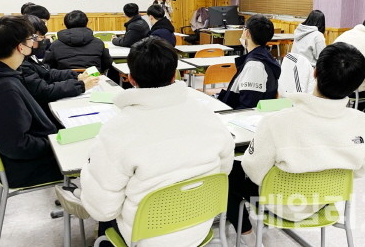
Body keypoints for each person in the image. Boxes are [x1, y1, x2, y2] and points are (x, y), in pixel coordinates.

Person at [59, 37, 235, 246]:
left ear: (131, 79)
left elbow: (103, 210)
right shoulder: (207, 114)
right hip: (200, 226)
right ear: (174, 75)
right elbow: (225, 168)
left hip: (146, 237)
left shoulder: (117, 129)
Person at [227, 43, 365, 247]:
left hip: (277, 203)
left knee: (230, 172)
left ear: (314, 73)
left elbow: (253, 169)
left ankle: (247, 234)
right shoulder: (364, 124)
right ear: (358, 83)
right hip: (325, 200)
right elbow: (360, 171)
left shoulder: (278, 121)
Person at [0, 16, 62, 187]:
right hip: (24, 167)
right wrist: (55, 142)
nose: (34, 43)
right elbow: (17, 145)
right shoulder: (5, 89)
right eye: (31, 39)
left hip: (17, 156)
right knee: (91, 152)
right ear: (21, 47)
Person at [20, 15, 99, 121]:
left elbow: (47, 73)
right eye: (36, 37)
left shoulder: (29, 56)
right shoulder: (21, 63)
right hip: (39, 114)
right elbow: (44, 91)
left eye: (42, 37)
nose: (41, 41)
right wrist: (81, 85)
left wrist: (76, 76)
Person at [218, 14, 281, 109]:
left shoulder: (255, 66)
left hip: (239, 116)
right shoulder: (263, 56)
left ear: (247, 33)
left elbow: (247, 106)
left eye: (244, 28)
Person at [43, 10, 113, 72]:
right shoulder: (98, 43)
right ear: (86, 23)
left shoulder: (56, 44)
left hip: (64, 81)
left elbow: (48, 65)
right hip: (93, 79)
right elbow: (107, 64)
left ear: (65, 24)